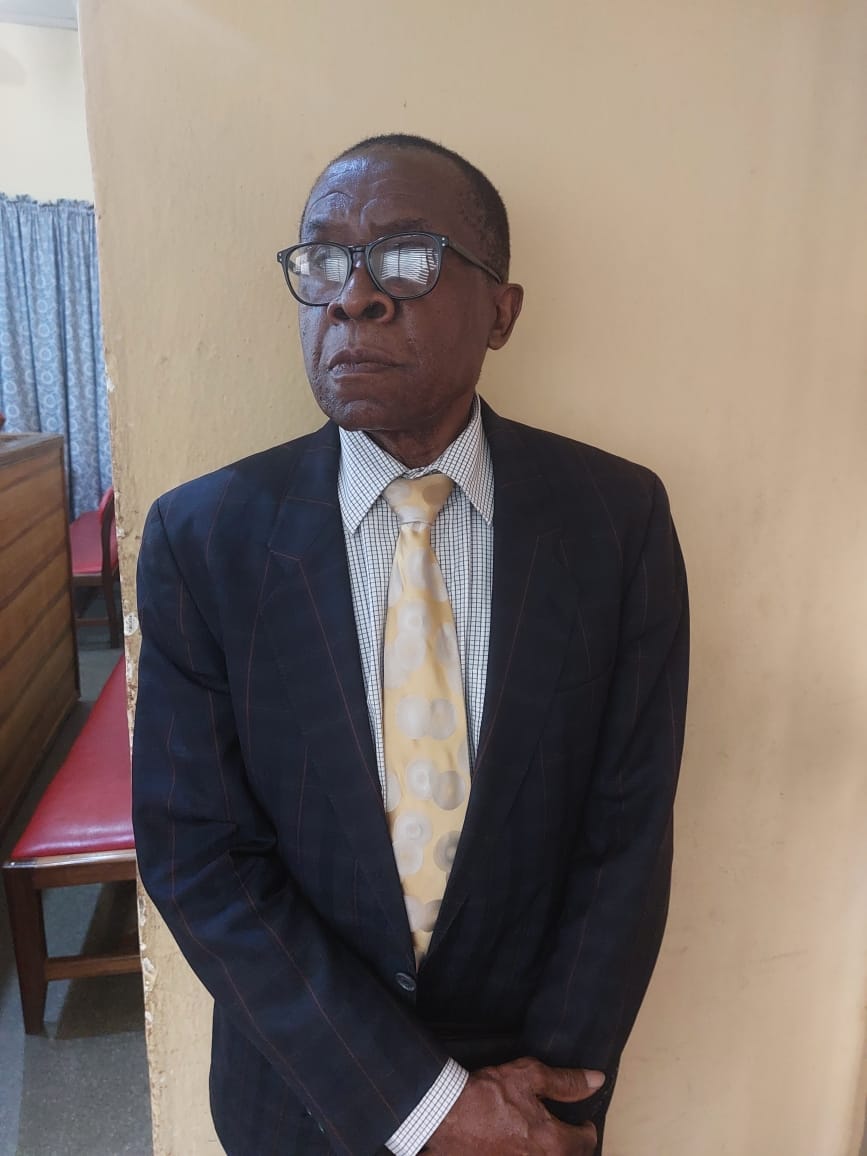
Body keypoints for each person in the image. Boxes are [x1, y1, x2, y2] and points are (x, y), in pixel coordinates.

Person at [132, 133, 689, 1156]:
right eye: (324, 261)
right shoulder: (204, 537)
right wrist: (422, 1105)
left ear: (501, 312)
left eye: (405, 257)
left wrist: (547, 1101)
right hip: (303, 1094)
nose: (354, 297)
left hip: (530, 1100)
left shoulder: (616, 521)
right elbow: (199, 857)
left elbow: (626, 834)